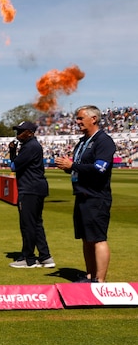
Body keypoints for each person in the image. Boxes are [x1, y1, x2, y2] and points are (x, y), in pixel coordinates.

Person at [54, 105, 116, 283]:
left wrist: (72, 166)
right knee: (86, 239)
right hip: (82, 195)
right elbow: (81, 168)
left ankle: (100, 280)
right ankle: (89, 276)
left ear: (93, 119)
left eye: (81, 118)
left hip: (96, 197)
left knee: (98, 239)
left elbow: (100, 169)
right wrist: (67, 167)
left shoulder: (104, 141)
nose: (77, 121)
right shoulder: (82, 142)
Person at [8, 121, 55, 269]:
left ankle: (28, 258)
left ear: (30, 132)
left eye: (21, 131)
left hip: (29, 189)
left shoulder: (29, 147)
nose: (18, 134)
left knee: (27, 224)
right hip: (36, 187)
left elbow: (14, 166)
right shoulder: (31, 145)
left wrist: (12, 152)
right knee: (36, 224)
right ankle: (45, 256)